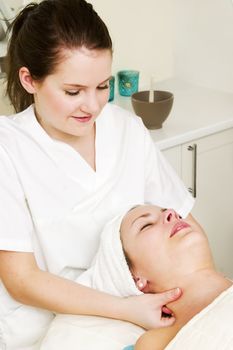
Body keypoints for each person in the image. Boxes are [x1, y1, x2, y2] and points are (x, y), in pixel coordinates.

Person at [0, 0, 196, 348]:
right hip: (45, 331)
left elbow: (182, 225)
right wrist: (126, 310)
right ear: (29, 79)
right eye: (73, 92)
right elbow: (20, 279)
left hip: (143, 318)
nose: (92, 106)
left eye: (102, 86)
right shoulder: (8, 148)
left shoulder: (126, 129)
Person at [119, 205, 233, 350]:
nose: (171, 213)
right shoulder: (155, 344)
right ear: (134, 278)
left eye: (174, 212)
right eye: (146, 225)